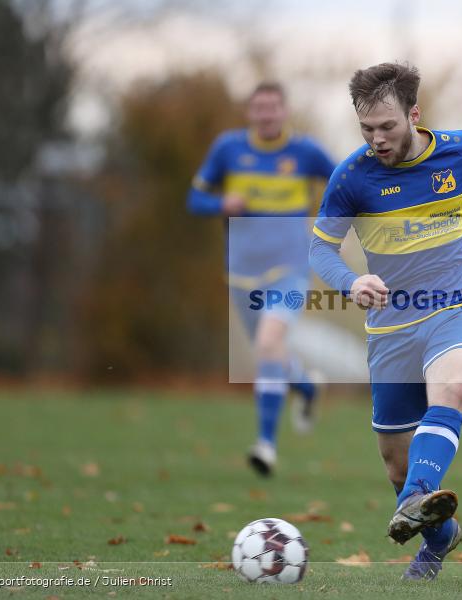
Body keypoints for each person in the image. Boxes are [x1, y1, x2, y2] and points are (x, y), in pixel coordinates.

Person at [309, 62, 462, 580]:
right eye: (365, 128)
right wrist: (351, 283)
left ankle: (417, 498)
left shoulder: (461, 151)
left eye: (387, 126)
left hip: (457, 306)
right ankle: (439, 533)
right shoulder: (351, 177)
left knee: (453, 386)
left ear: (414, 114)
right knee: (395, 459)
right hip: (391, 328)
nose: (376, 139)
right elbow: (320, 249)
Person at [187, 82, 336, 477]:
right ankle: (306, 387)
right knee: (270, 353)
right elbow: (194, 198)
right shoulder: (228, 149)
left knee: (270, 343)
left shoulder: (306, 152)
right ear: (250, 113)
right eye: (259, 108)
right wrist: (221, 203)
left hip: (290, 269)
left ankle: (265, 444)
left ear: (285, 111)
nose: (267, 115)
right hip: (241, 273)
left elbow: (345, 183)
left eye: (273, 108)